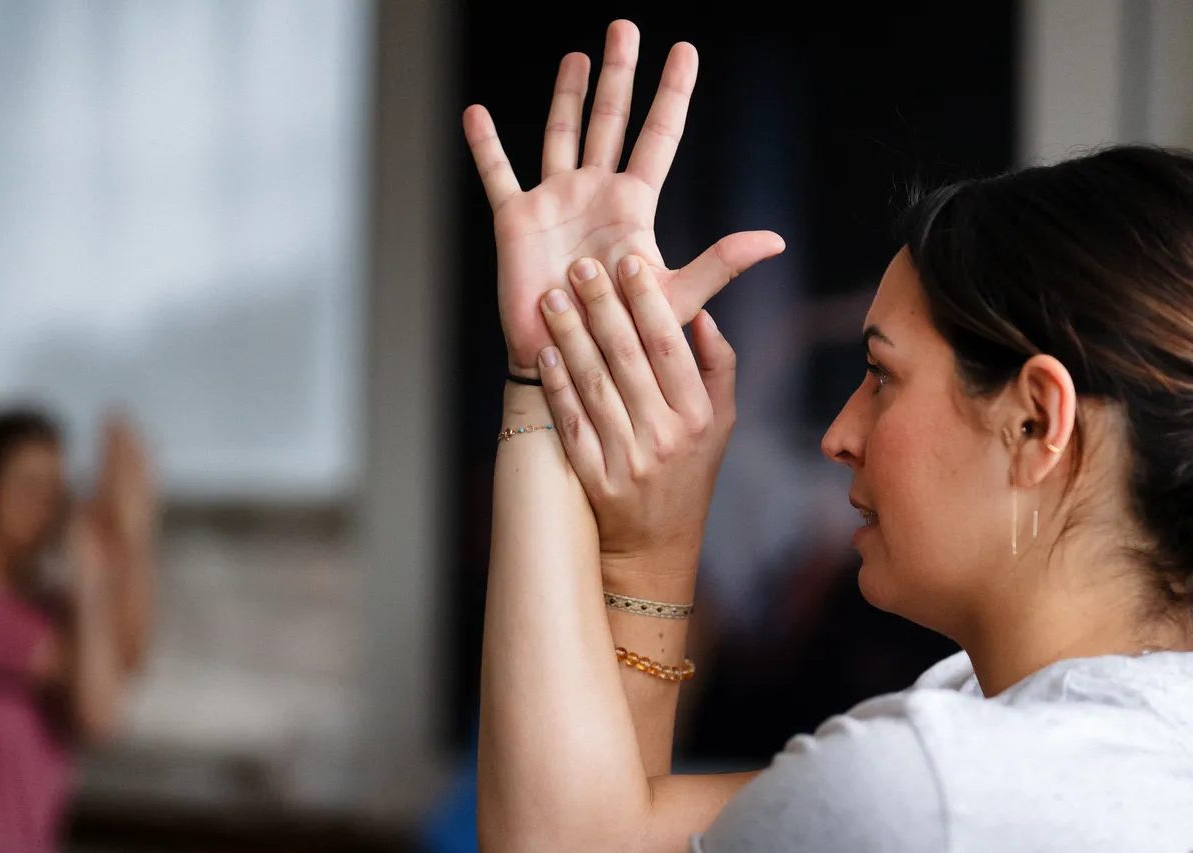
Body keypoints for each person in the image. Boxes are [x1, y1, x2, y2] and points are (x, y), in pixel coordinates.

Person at [464, 19, 1193, 852]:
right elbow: (603, 833)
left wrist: (542, 384)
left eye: (881, 376)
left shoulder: (934, 785)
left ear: (1035, 421)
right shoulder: (1023, 718)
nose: (840, 434)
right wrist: (651, 548)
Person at [0, 410, 156, 853]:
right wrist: (90, 577)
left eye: (55, 490)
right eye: (28, 486)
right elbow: (98, 712)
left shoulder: (51, 612)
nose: (46, 506)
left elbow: (124, 657)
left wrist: (133, 529)